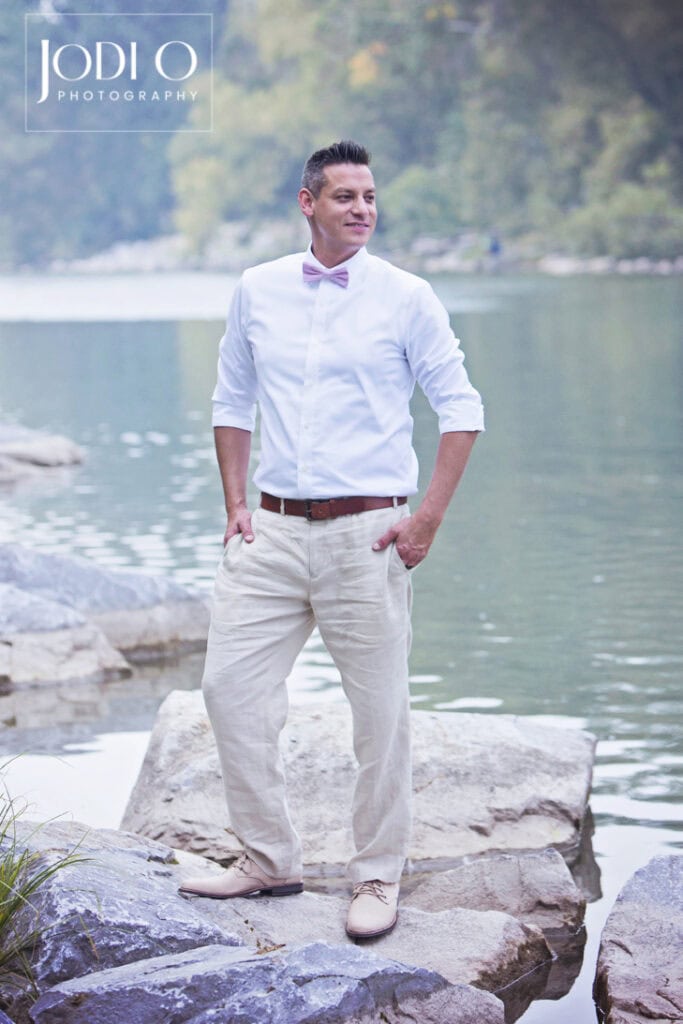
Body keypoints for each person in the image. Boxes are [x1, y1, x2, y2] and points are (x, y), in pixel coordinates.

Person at [179, 140, 484, 939]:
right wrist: (235, 501)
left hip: (368, 535)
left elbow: (462, 411)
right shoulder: (257, 289)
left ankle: (378, 876)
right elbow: (232, 398)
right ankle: (267, 860)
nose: (361, 209)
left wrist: (426, 520)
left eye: (370, 197)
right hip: (270, 533)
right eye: (344, 196)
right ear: (307, 203)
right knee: (228, 691)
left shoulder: (406, 297)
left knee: (378, 715)